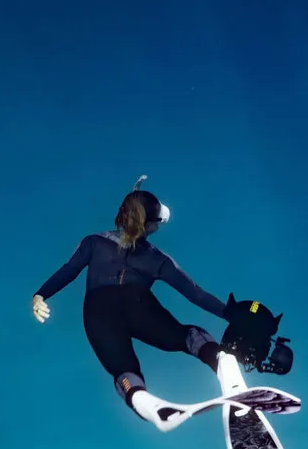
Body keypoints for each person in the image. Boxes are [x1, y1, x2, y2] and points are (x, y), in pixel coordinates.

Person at [32, 177, 228, 431]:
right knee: (186, 336)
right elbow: (196, 294)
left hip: (98, 313)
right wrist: (231, 314)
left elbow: (68, 271)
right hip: (138, 305)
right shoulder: (157, 259)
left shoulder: (94, 242)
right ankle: (222, 363)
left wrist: (40, 295)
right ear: (150, 226)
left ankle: (146, 404)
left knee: (123, 369)